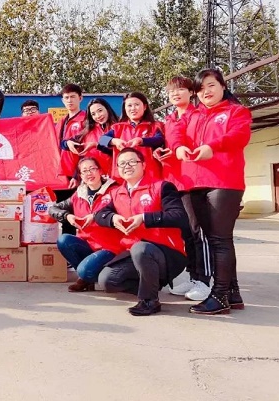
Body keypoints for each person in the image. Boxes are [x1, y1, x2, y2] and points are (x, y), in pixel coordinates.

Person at [168, 68, 252, 315]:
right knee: (214, 239)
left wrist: (212, 146)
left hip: (224, 182)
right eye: (201, 88)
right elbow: (175, 132)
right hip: (195, 183)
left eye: (211, 85)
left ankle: (220, 295)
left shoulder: (236, 111)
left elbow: (239, 136)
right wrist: (178, 147)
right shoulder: (193, 115)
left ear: (223, 86)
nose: (206, 91)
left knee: (220, 240)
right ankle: (232, 293)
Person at [94, 148, 188, 316]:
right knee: (107, 281)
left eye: (132, 162)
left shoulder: (162, 187)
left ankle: (149, 300)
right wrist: (113, 218)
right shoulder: (116, 193)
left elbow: (178, 216)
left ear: (143, 165)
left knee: (141, 248)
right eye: (122, 163)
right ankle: (151, 285)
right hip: (134, 252)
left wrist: (144, 218)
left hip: (166, 252)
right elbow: (99, 214)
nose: (127, 166)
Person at [155, 76, 209, 302]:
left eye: (180, 90)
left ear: (191, 92)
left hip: (193, 180)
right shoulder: (169, 119)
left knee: (198, 231)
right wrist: (161, 153)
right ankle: (193, 275)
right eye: (171, 92)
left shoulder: (199, 115)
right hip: (173, 180)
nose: (175, 94)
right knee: (185, 232)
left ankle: (205, 280)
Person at [48, 157, 124, 292]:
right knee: (64, 240)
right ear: (81, 175)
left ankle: (87, 276)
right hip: (88, 244)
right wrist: (67, 216)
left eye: (92, 169)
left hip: (110, 247)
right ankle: (86, 278)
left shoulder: (115, 191)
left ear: (100, 171)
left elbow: (123, 211)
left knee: (84, 271)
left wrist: (95, 216)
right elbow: (53, 209)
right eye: (84, 171)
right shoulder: (79, 194)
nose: (89, 173)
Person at [99, 92, 164, 183]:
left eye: (136, 104)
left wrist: (141, 141)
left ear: (145, 107)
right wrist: (114, 141)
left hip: (150, 175)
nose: (133, 108)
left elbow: (159, 140)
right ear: (125, 108)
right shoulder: (118, 128)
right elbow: (101, 140)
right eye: (129, 105)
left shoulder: (154, 126)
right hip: (122, 178)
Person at [67, 97, 119, 176]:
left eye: (100, 111)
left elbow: (116, 152)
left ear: (107, 109)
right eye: (93, 114)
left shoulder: (120, 127)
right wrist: (68, 143)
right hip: (94, 176)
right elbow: (65, 144)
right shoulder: (88, 130)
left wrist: (96, 145)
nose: (98, 116)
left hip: (116, 174)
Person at [56, 84, 87, 189]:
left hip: (79, 175)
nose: (69, 100)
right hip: (62, 174)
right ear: (62, 100)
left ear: (80, 98)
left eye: (73, 97)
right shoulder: (61, 122)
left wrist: (77, 174)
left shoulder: (86, 120)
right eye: (66, 97)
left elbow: (87, 150)